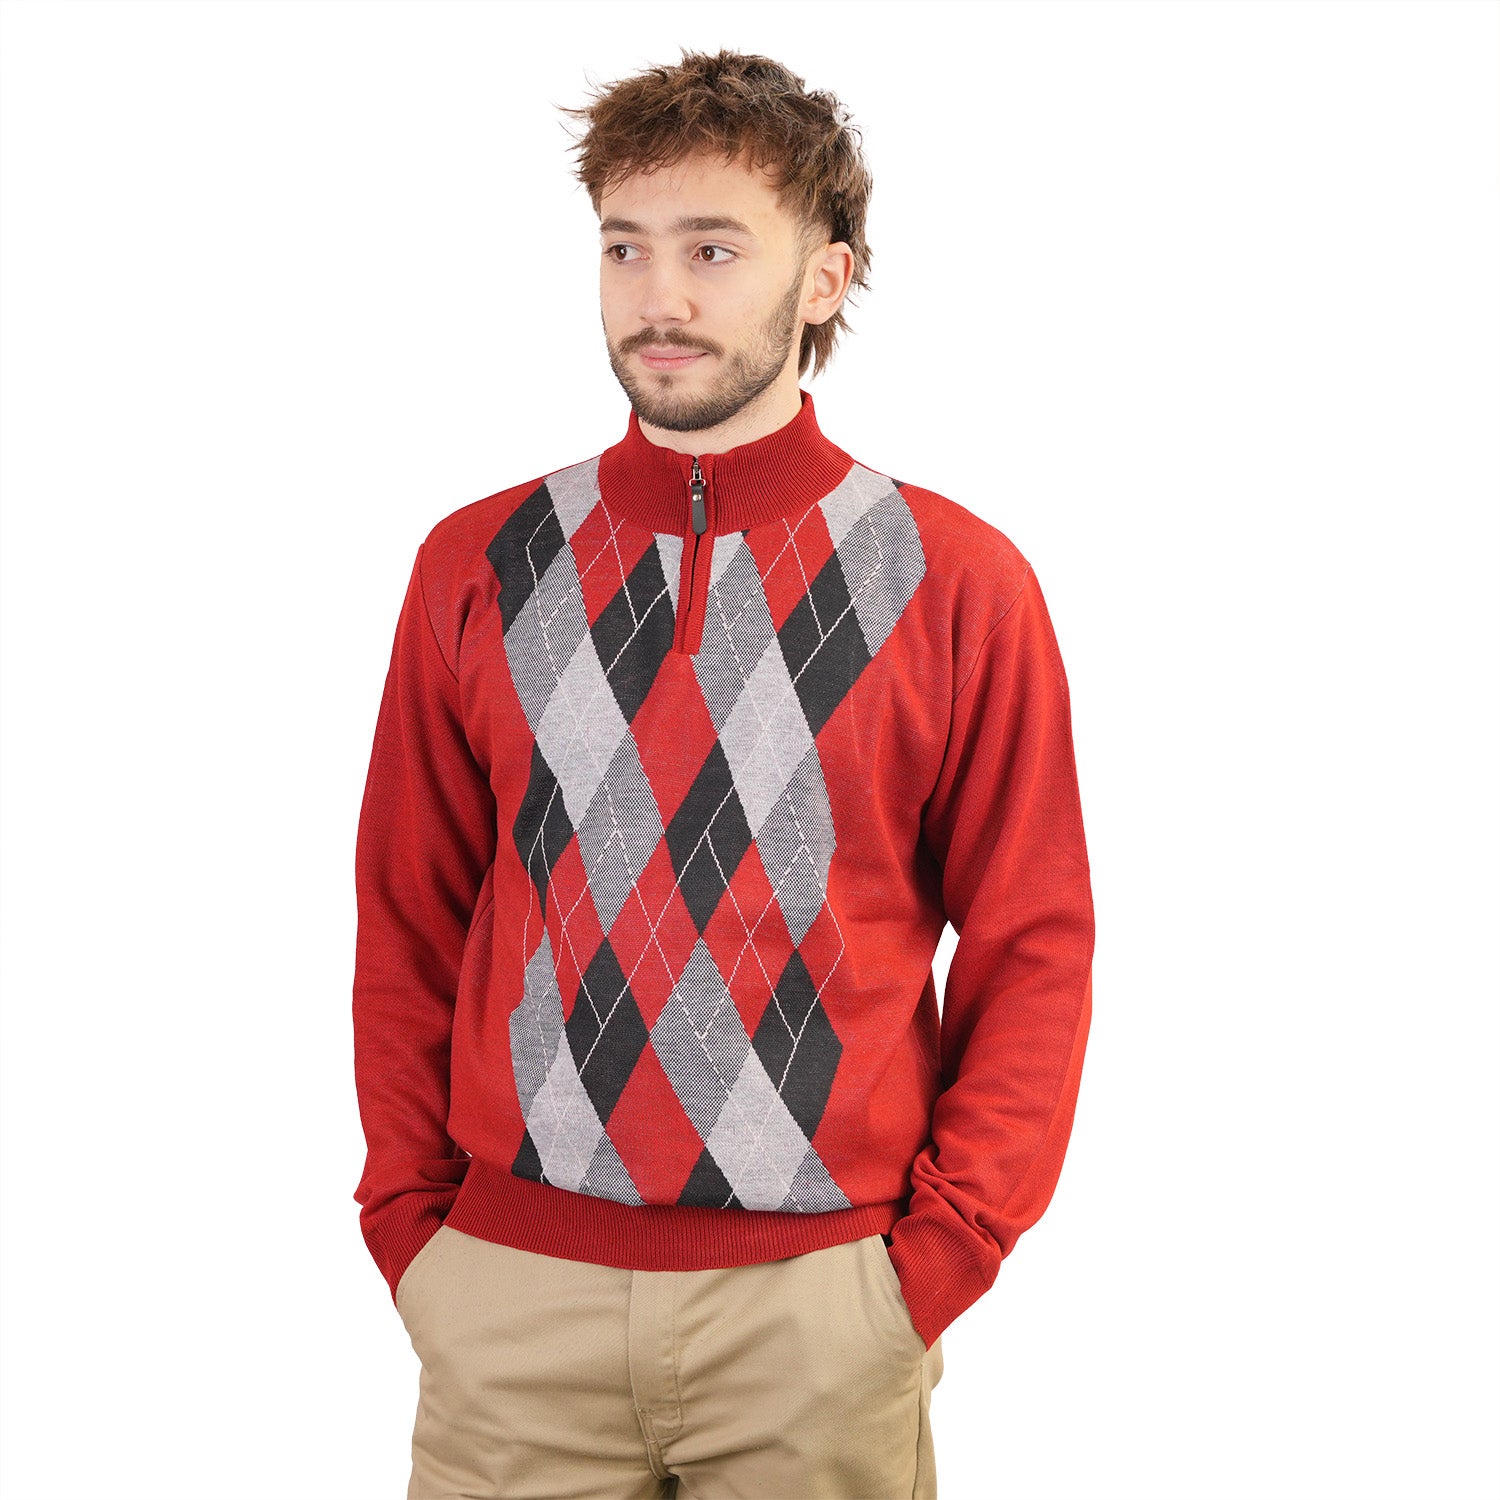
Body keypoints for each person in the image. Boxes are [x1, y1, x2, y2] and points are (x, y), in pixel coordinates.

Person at [351, 46, 1095, 1500]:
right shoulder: (479, 565)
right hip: (509, 1298)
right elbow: (408, 914)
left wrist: (935, 1264)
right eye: (624, 247)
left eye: (711, 249)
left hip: (820, 1318)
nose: (658, 297)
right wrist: (413, 1228)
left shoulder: (956, 582)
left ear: (825, 277)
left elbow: (1035, 943)